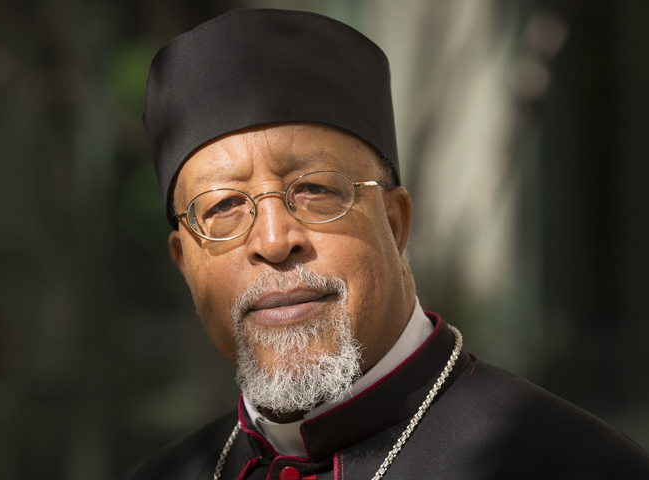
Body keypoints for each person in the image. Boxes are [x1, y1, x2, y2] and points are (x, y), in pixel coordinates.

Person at [118, 9, 649, 480]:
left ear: (395, 225)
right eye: (224, 207)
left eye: (315, 190)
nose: (275, 242)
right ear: (185, 262)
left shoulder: (572, 464)